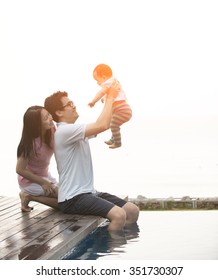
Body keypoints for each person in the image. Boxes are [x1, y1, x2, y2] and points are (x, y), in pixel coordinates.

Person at [44, 84, 139, 232]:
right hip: (73, 198)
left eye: (72, 102)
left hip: (88, 192)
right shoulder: (64, 131)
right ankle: (113, 246)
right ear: (59, 112)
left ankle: (119, 238)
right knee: (119, 215)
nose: (74, 106)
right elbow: (102, 124)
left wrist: (112, 102)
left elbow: (104, 123)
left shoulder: (73, 130)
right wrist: (111, 97)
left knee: (132, 210)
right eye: (69, 104)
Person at [16, 106, 59, 212]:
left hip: (45, 175)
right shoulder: (30, 144)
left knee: (69, 195)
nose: (50, 119)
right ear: (37, 125)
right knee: (65, 201)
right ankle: (28, 196)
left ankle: (29, 196)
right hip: (30, 181)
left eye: (49, 114)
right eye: (46, 118)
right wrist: (43, 182)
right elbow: (20, 169)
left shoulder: (51, 130)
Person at [88, 63, 132, 149]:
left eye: (97, 80)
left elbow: (101, 92)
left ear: (104, 77)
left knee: (113, 125)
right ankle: (113, 139)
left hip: (122, 109)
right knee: (114, 124)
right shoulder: (114, 81)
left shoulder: (108, 82)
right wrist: (105, 97)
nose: (97, 83)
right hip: (124, 109)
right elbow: (111, 93)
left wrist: (93, 101)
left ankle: (118, 143)